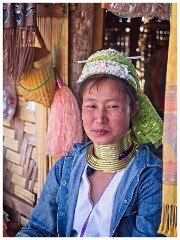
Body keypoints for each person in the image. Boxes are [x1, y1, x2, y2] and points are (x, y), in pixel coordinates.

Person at [16, 48, 164, 237]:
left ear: (133, 109)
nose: (100, 118)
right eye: (91, 106)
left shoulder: (150, 176)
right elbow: (38, 229)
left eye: (113, 106)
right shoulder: (66, 167)